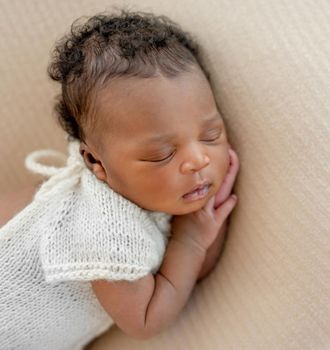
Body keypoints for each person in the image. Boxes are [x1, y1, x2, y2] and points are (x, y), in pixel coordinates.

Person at [0, 9, 239, 349]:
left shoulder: (141, 185)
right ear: (96, 162)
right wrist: (192, 240)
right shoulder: (106, 229)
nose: (198, 160)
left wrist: (202, 225)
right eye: (161, 154)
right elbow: (145, 318)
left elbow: (185, 276)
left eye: (211, 134)